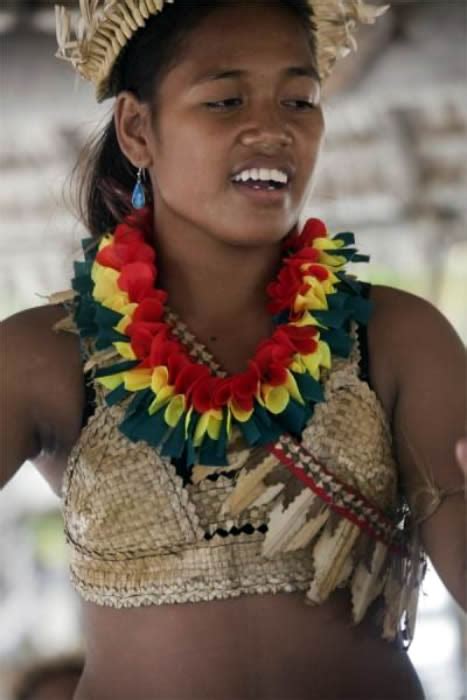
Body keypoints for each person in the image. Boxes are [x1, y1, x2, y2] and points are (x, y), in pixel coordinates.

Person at [1, 1, 465, 699]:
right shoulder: (43, 357)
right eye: (224, 100)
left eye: (299, 100)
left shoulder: (397, 336)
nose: (272, 128)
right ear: (136, 128)